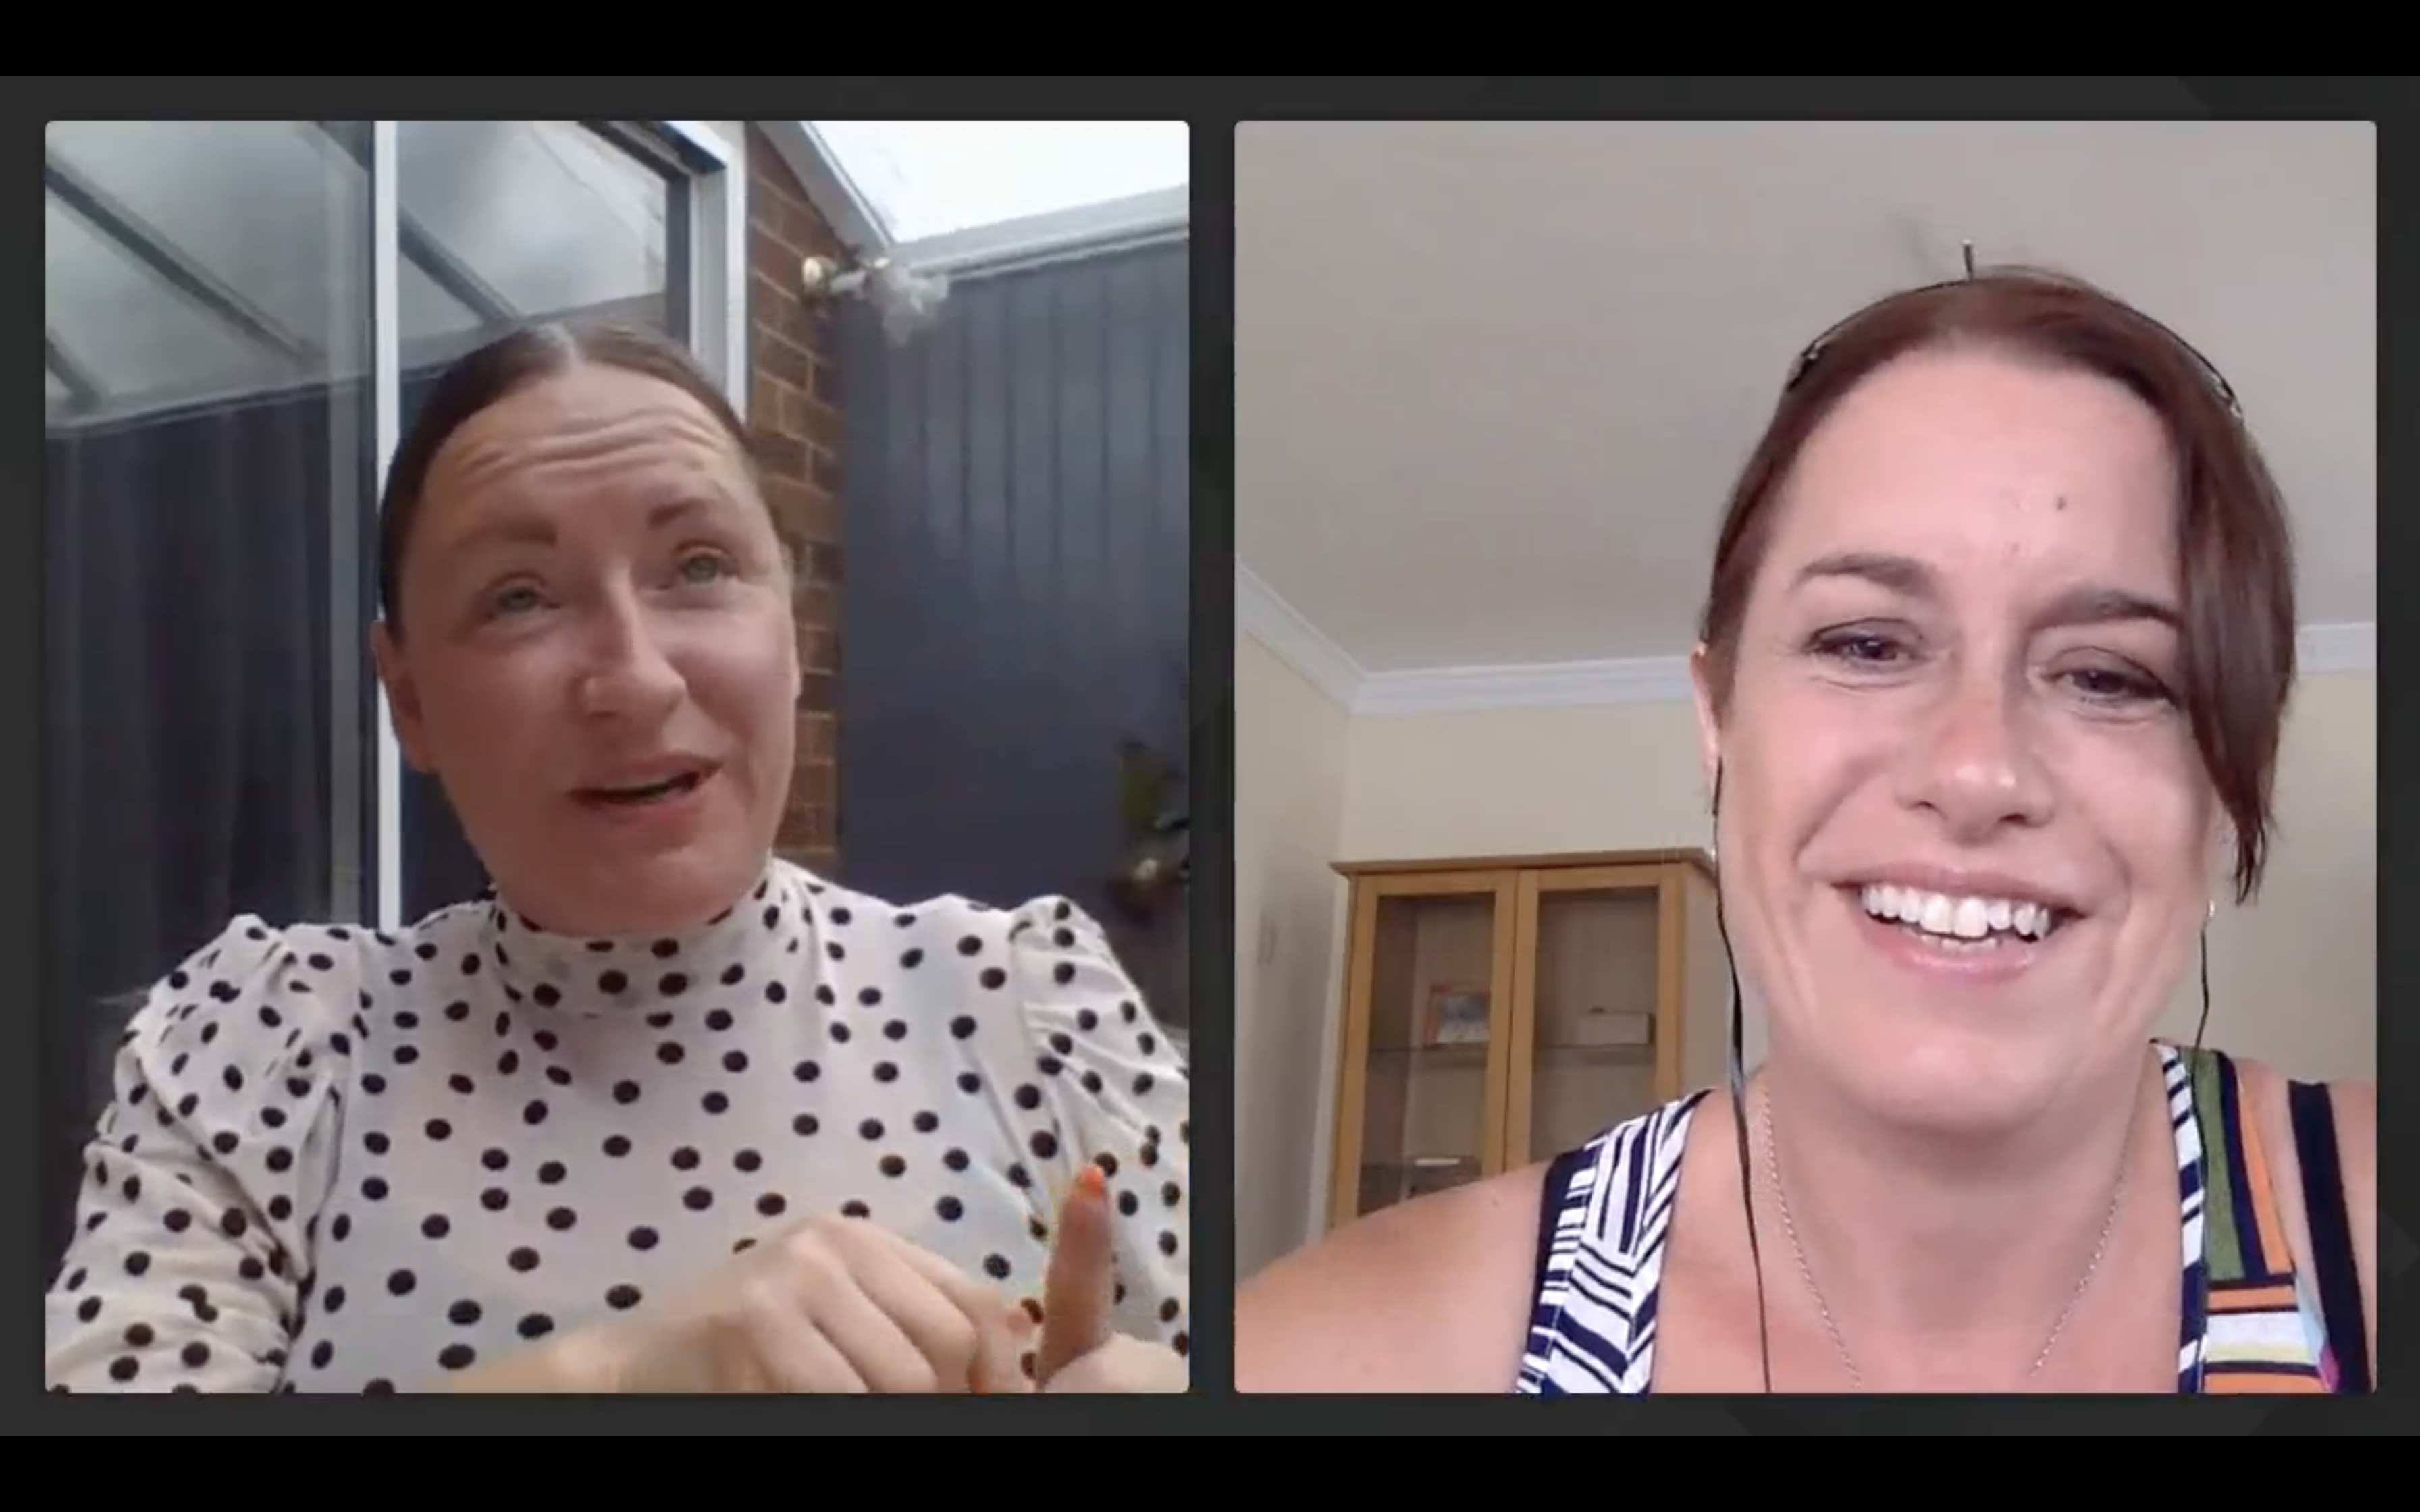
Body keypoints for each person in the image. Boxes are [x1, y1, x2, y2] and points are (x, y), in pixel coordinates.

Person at [1236, 267, 2375, 1395]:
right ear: (1718, 719)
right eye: (1867, 645)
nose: (1977, 771)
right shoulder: (1343, 1355)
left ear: (2225, 786)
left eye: (2110, 676)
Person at [43, 321, 1191, 1394]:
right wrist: (620, 1372)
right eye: (519, 598)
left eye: (698, 566)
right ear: (411, 701)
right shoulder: (272, 1045)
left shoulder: (1026, 1008)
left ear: (794, 631)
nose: (636, 681)